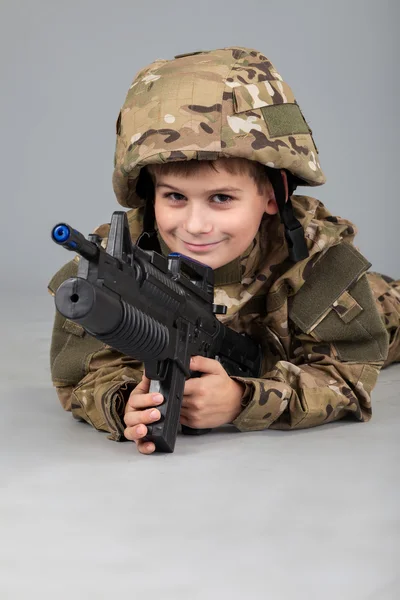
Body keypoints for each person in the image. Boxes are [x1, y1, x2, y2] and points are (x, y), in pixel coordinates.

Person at [48, 46, 400, 454]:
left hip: (378, 309)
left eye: (221, 199)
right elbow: (83, 373)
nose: (196, 225)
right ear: (149, 193)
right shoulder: (118, 264)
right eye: (175, 196)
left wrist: (244, 400)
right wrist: (124, 402)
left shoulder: (318, 261)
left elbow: (347, 376)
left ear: (273, 195)